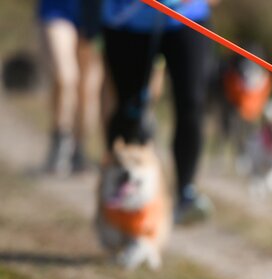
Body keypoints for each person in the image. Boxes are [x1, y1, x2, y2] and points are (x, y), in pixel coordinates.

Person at [101, 0, 215, 225]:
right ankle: (116, 193)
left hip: (187, 16)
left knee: (192, 103)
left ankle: (185, 192)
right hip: (126, 18)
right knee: (129, 109)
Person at [38, 0, 103, 175]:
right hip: (58, 9)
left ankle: (79, 149)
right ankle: (61, 141)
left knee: (87, 90)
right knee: (65, 77)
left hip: (96, 11)